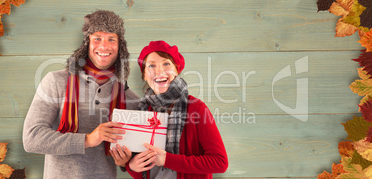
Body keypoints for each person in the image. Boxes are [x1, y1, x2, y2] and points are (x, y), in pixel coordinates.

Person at [22, 10, 140, 178]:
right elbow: (31, 138)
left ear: (120, 46)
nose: (104, 46)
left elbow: (133, 156)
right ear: (87, 43)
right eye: (97, 38)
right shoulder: (56, 81)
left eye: (111, 39)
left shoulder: (130, 100)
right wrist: (87, 140)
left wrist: (124, 162)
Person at [110, 40, 228, 178]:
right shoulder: (142, 111)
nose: (159, 70)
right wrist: (130, 166)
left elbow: (220, 163)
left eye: (166, 64)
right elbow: (147, 173)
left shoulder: (196, 108)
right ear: (144, 75)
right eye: (151, 65)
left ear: (177, 70)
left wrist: (167, 159)